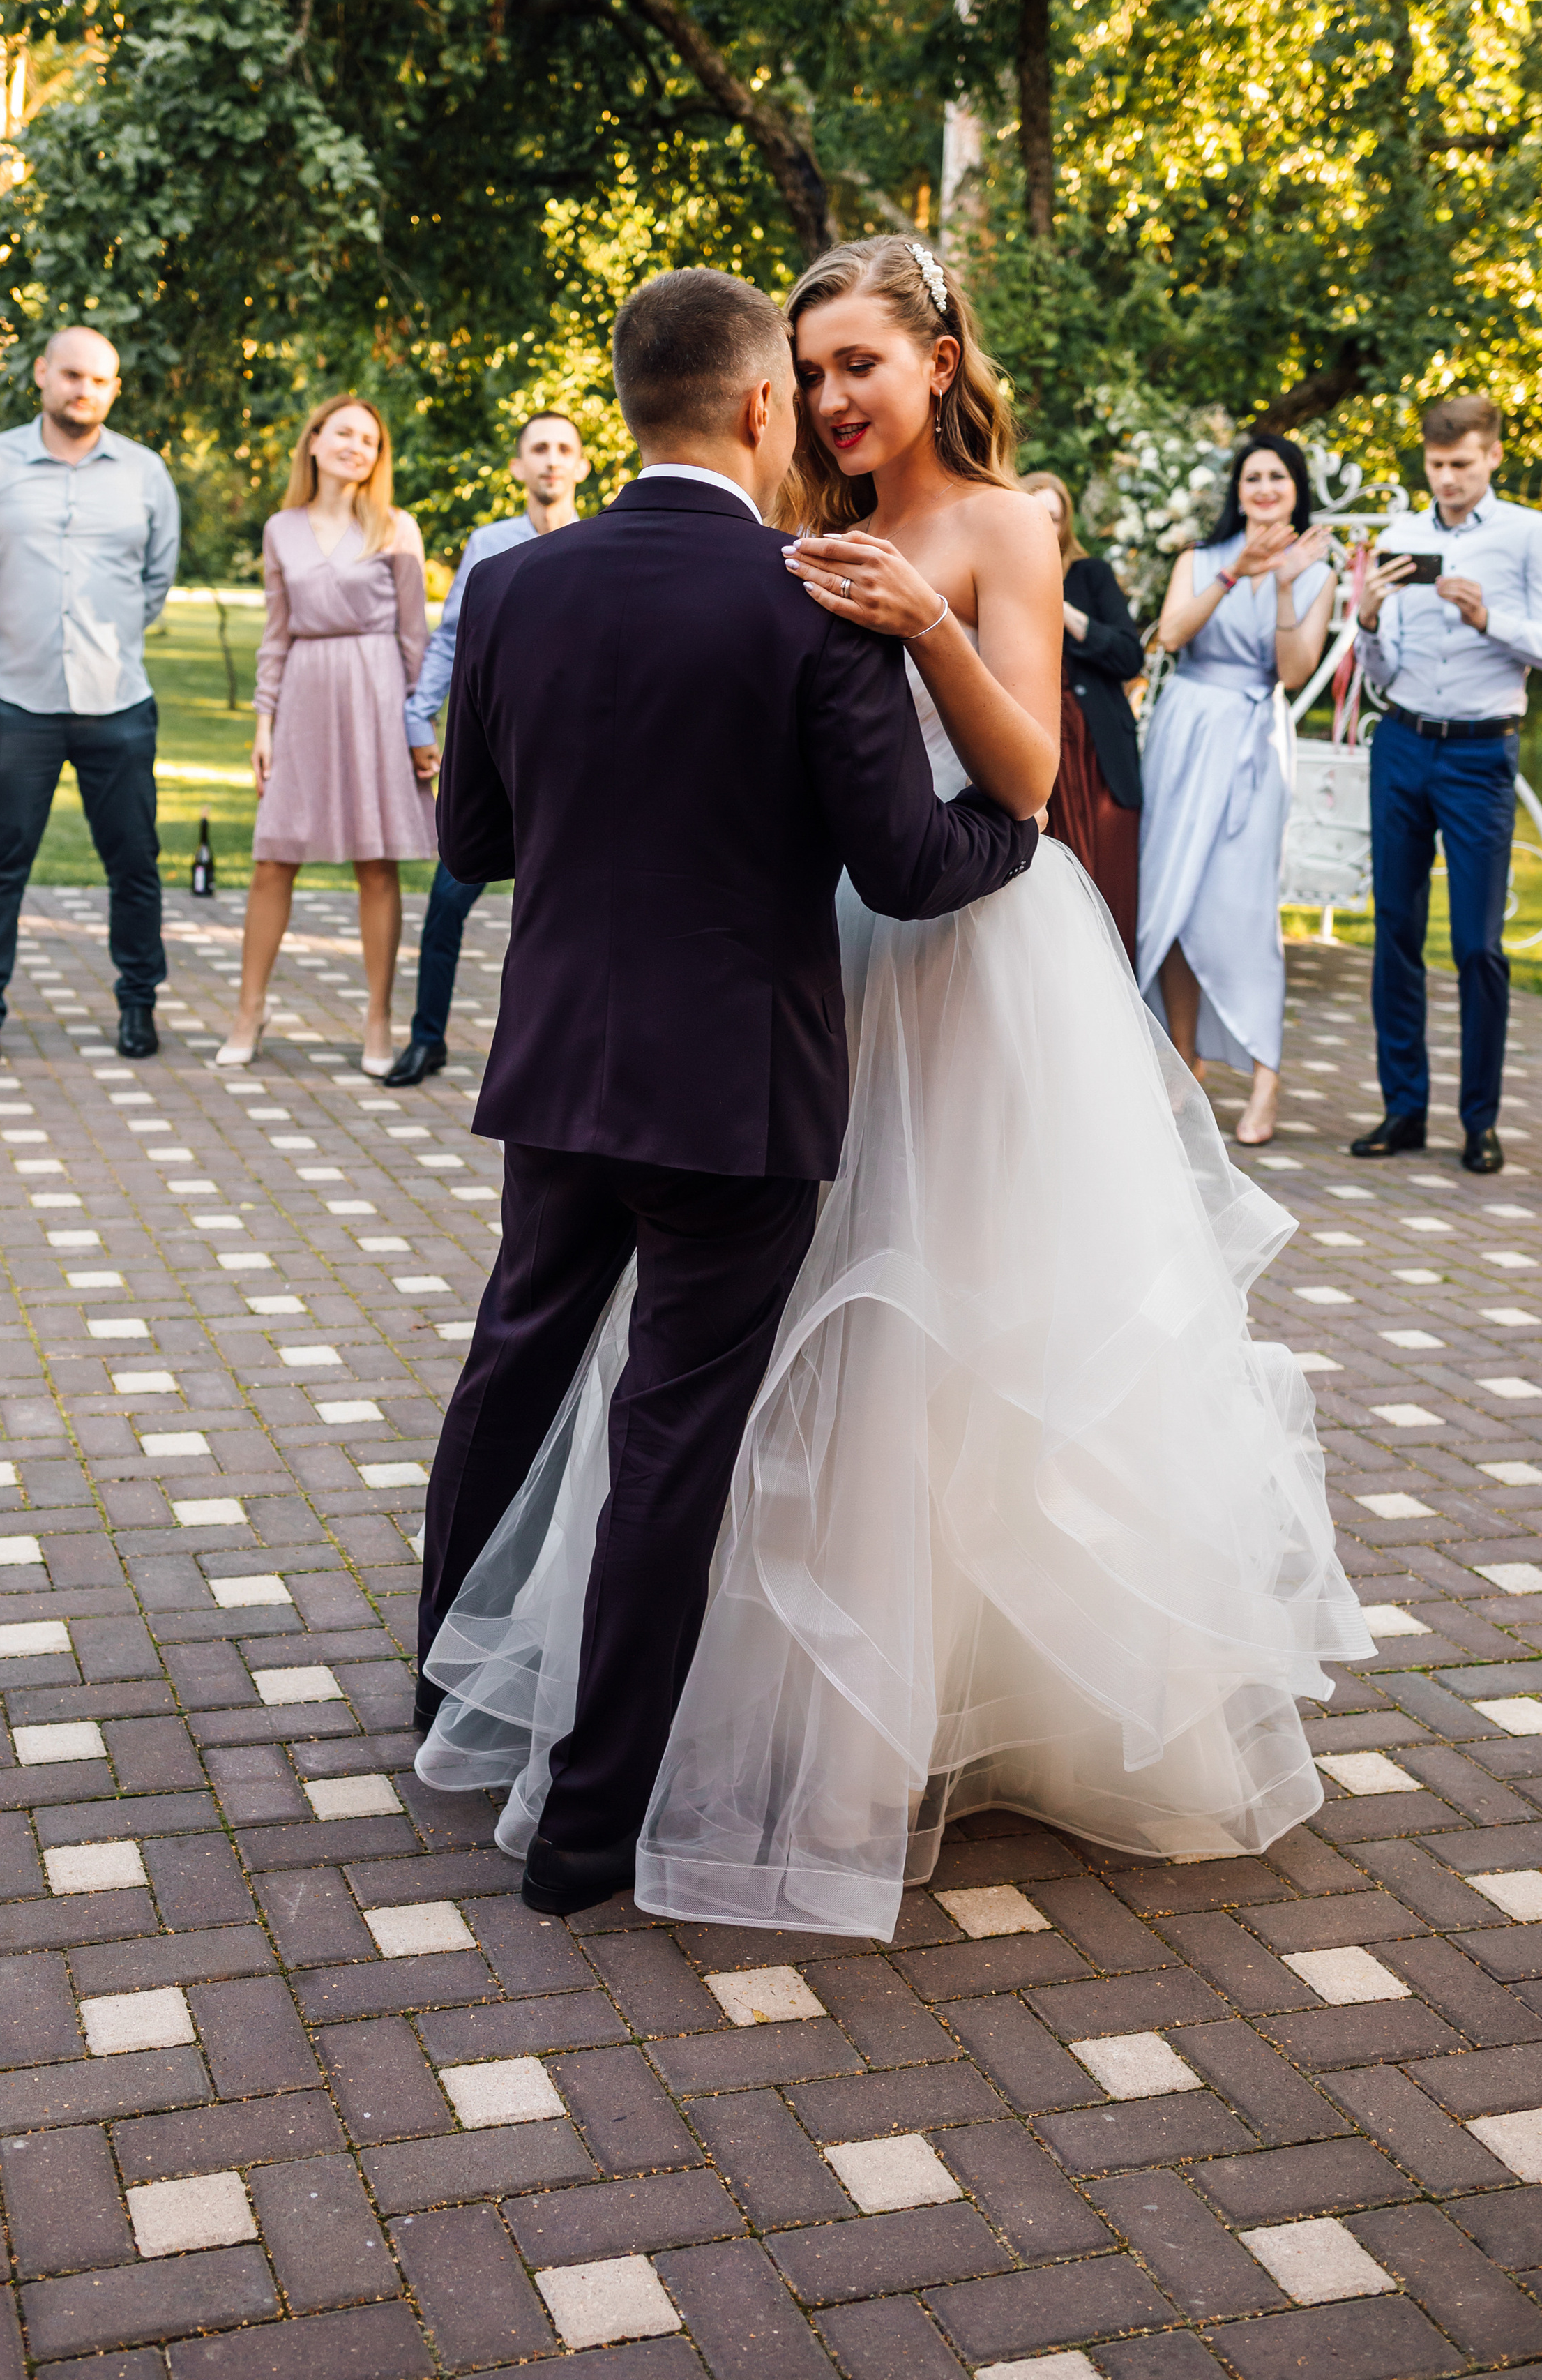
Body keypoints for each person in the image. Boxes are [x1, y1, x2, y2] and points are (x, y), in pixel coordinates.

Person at [417, 239, 1368, 1938]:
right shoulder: (786, 560)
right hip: (814, 963)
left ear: (940, 357)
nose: (839, 395)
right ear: (766, 389)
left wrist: (927, 619)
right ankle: (749, 1692)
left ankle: (919, 1694)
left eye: (864, 360)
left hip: (976, 968)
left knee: (954, 1332)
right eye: (813, 365)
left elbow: (1024, 773)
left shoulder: (998, 527)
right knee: (774, 1365)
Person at [410, 263, 1038, 1917]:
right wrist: (1012, 836)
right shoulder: (807, 597)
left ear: (626, 400)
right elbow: (906, 869)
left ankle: (445, 1700)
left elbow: (470, 844)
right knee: (667, 1440)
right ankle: (586, 1831)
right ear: (762, 405)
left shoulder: (515, 585)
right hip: (737, 1094)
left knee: (512, 1367)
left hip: (554, 1065)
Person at [0, 325, 180, 1065]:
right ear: (43, 374)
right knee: (0, 863)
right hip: (16, 701)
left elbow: (155, 582)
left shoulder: (146, 474)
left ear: (115, 390)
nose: (85, 389)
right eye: (73, 374)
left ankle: (139, 1005)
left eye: (101, 380)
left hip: (117, 703)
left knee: (135, 864)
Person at [216, 395, 437, 1076]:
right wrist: (263, 723)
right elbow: (276, 634)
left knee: (376, 863)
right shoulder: (280, 529)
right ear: (313, 442)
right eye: (343, 433)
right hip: (305, 691)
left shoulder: (396, 528)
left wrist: (417, 727)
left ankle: (376, 1019)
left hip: (375, 693)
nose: (355, 446)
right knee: (272, 858)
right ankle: (249, 1011)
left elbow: (413, 639)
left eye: (369, 439)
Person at [1350, 396, 1542, 1175]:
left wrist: (1489, 617)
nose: (1448, 479)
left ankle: (1480, 1120)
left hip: (1479, 756)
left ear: (1492, 456)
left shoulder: (1527, 533)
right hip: (1401, 740)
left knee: (1476, 945)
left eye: (1461, 464)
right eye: (1435, 466)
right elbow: (1381, 670)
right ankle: (1402, 1110)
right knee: (1394, 929)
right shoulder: (1398, 538)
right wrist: (1366, 622)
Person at [1135, 436, 1335, 1145]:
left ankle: (1265, 1080)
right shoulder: (1199, 560)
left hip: (1252, 738)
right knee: (1174, 899)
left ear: (1295, 487)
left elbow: (1289, 671)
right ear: (1237, 489)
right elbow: (1166, 635)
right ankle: (1184, 1065)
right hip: (1185, 733)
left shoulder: (1316, 573)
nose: (1263, 487)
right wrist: (1234, 577)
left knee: (1244, 908)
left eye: (1276, 476)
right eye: (1251, 476)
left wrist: (1280, 584)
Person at [385, 412, 591, 1089]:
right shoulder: (490, 545)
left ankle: (570, 1052)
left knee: (573, 919)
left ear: (582, 466)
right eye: (538, 449)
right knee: (448, 900)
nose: (551, 461)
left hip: (580, 770)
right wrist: (421, 721)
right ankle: (427, 1039)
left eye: (564, 450)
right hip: (498, 760)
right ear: (517, 466)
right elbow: (452, 640)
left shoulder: (602, 541)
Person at [1022, 469, 1145, 958]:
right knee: (1047, 889)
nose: (1042, 527)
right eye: (1033, 515)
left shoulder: (1090, 575)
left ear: (1064, 525)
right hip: (1037, 746)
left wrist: (1064, 607)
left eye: (1052, 518)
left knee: (1108, 882)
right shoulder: (994, 572)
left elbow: (1128, 656)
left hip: (1098, 752)